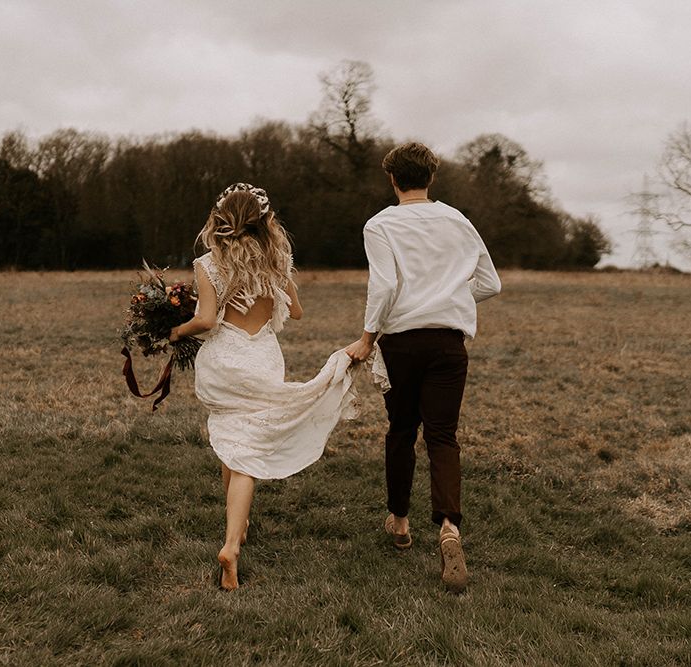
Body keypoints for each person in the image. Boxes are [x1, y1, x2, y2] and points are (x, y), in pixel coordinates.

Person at [170, 183, 357, 591]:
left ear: (220, 218)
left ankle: (234, 536)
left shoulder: (208, 263)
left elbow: (204, 321)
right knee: (245, 448)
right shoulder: (277, 259)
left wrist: (175, 331)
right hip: (262, 359)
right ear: (264, 220)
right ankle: (233, 540)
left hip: (224, 360)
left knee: (234, 443)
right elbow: (299, 311)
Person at [346, 142, 501, 593]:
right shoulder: (459, 221)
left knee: (400, 430)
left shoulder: (379, 224)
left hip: (401, 343)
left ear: (392, 179)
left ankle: (399, 521)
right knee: (442, 435)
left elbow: (386, 283)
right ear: (431, 178)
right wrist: (449, 297)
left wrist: (367, 336)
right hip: (448, 342)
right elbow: (491, 283)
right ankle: (450, 526)